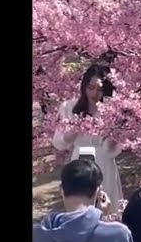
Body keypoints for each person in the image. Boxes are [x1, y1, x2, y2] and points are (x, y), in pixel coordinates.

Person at [53, 64, 125, 214]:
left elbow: (111, 150)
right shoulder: (69, 107)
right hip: (79, 160)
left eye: (100, 89)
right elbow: (58, 142)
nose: (94, 93)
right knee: (80, 205)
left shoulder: (112, 109)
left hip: (104, 161)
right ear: (84, 86)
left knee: (107, 206)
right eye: (90, 87)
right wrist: (74, 130)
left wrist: (114, 133)